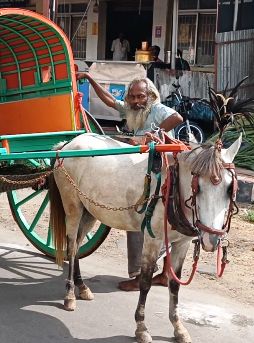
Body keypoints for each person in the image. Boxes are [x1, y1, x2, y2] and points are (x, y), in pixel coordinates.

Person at [76, 71, 183, 291]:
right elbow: (108, 100)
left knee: (139, 214)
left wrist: (151, 134)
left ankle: (139, 275)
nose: (136, 101)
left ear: (150, 96)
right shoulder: (131, 109)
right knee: (159, 216)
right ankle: (164, 274)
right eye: (132, 97)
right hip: (142, 166)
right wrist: (90, 78)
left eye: (140, 97)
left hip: (157, 166)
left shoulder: (156, 109)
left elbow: (177, 118)